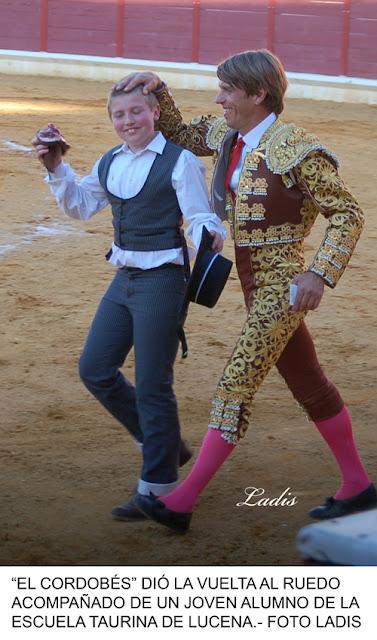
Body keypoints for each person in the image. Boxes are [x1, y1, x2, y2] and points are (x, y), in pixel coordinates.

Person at [117, 49, 376, 533]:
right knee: (308, 382)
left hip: (283, 288)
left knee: (237, 384)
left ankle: (180, 502)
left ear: (258, 94)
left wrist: (318, 273)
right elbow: (178, 133)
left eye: (227, 91)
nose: (219, 99)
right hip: (253, 284)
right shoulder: (229, 135)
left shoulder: (296, 147)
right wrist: (158, 89)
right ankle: (358, 485)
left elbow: (348, 213)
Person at [33, 84, 226, 521]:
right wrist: (56, 166)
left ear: (155, 112)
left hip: (163, 280)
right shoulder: (110, 161)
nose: (128, 121)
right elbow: (81, 207)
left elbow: (200, 216)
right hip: (126, 277)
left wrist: (207, 238)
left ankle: (158, 489)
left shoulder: (181, 162)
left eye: (136, 111)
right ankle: (164, 444)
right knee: (95, 368)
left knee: (155, 382)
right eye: (119, 115)